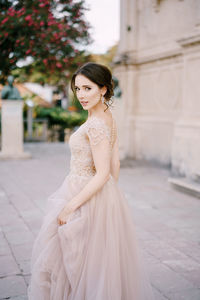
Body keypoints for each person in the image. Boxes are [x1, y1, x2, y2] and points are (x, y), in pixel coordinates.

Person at [28, 62, 155, 300]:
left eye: (88, 88)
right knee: (95, 263)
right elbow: (114, 166)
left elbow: (104, 171)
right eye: (78, 89)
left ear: (103, 89)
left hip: (83, 191)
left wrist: (71, 205)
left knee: (75, 262)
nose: (81, 95)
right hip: (100, 194)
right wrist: (108, 199)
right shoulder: (108, 119)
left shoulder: (96, 124)